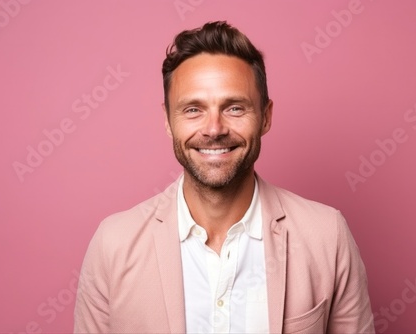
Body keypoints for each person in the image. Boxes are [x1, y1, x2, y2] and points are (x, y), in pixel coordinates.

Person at [74, 21, 375, 333]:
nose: (214, 129)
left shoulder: (327, 235)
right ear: (168, 120)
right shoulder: (113, 244)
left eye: (234, 108)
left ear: (266, 117)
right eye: (193, 110)